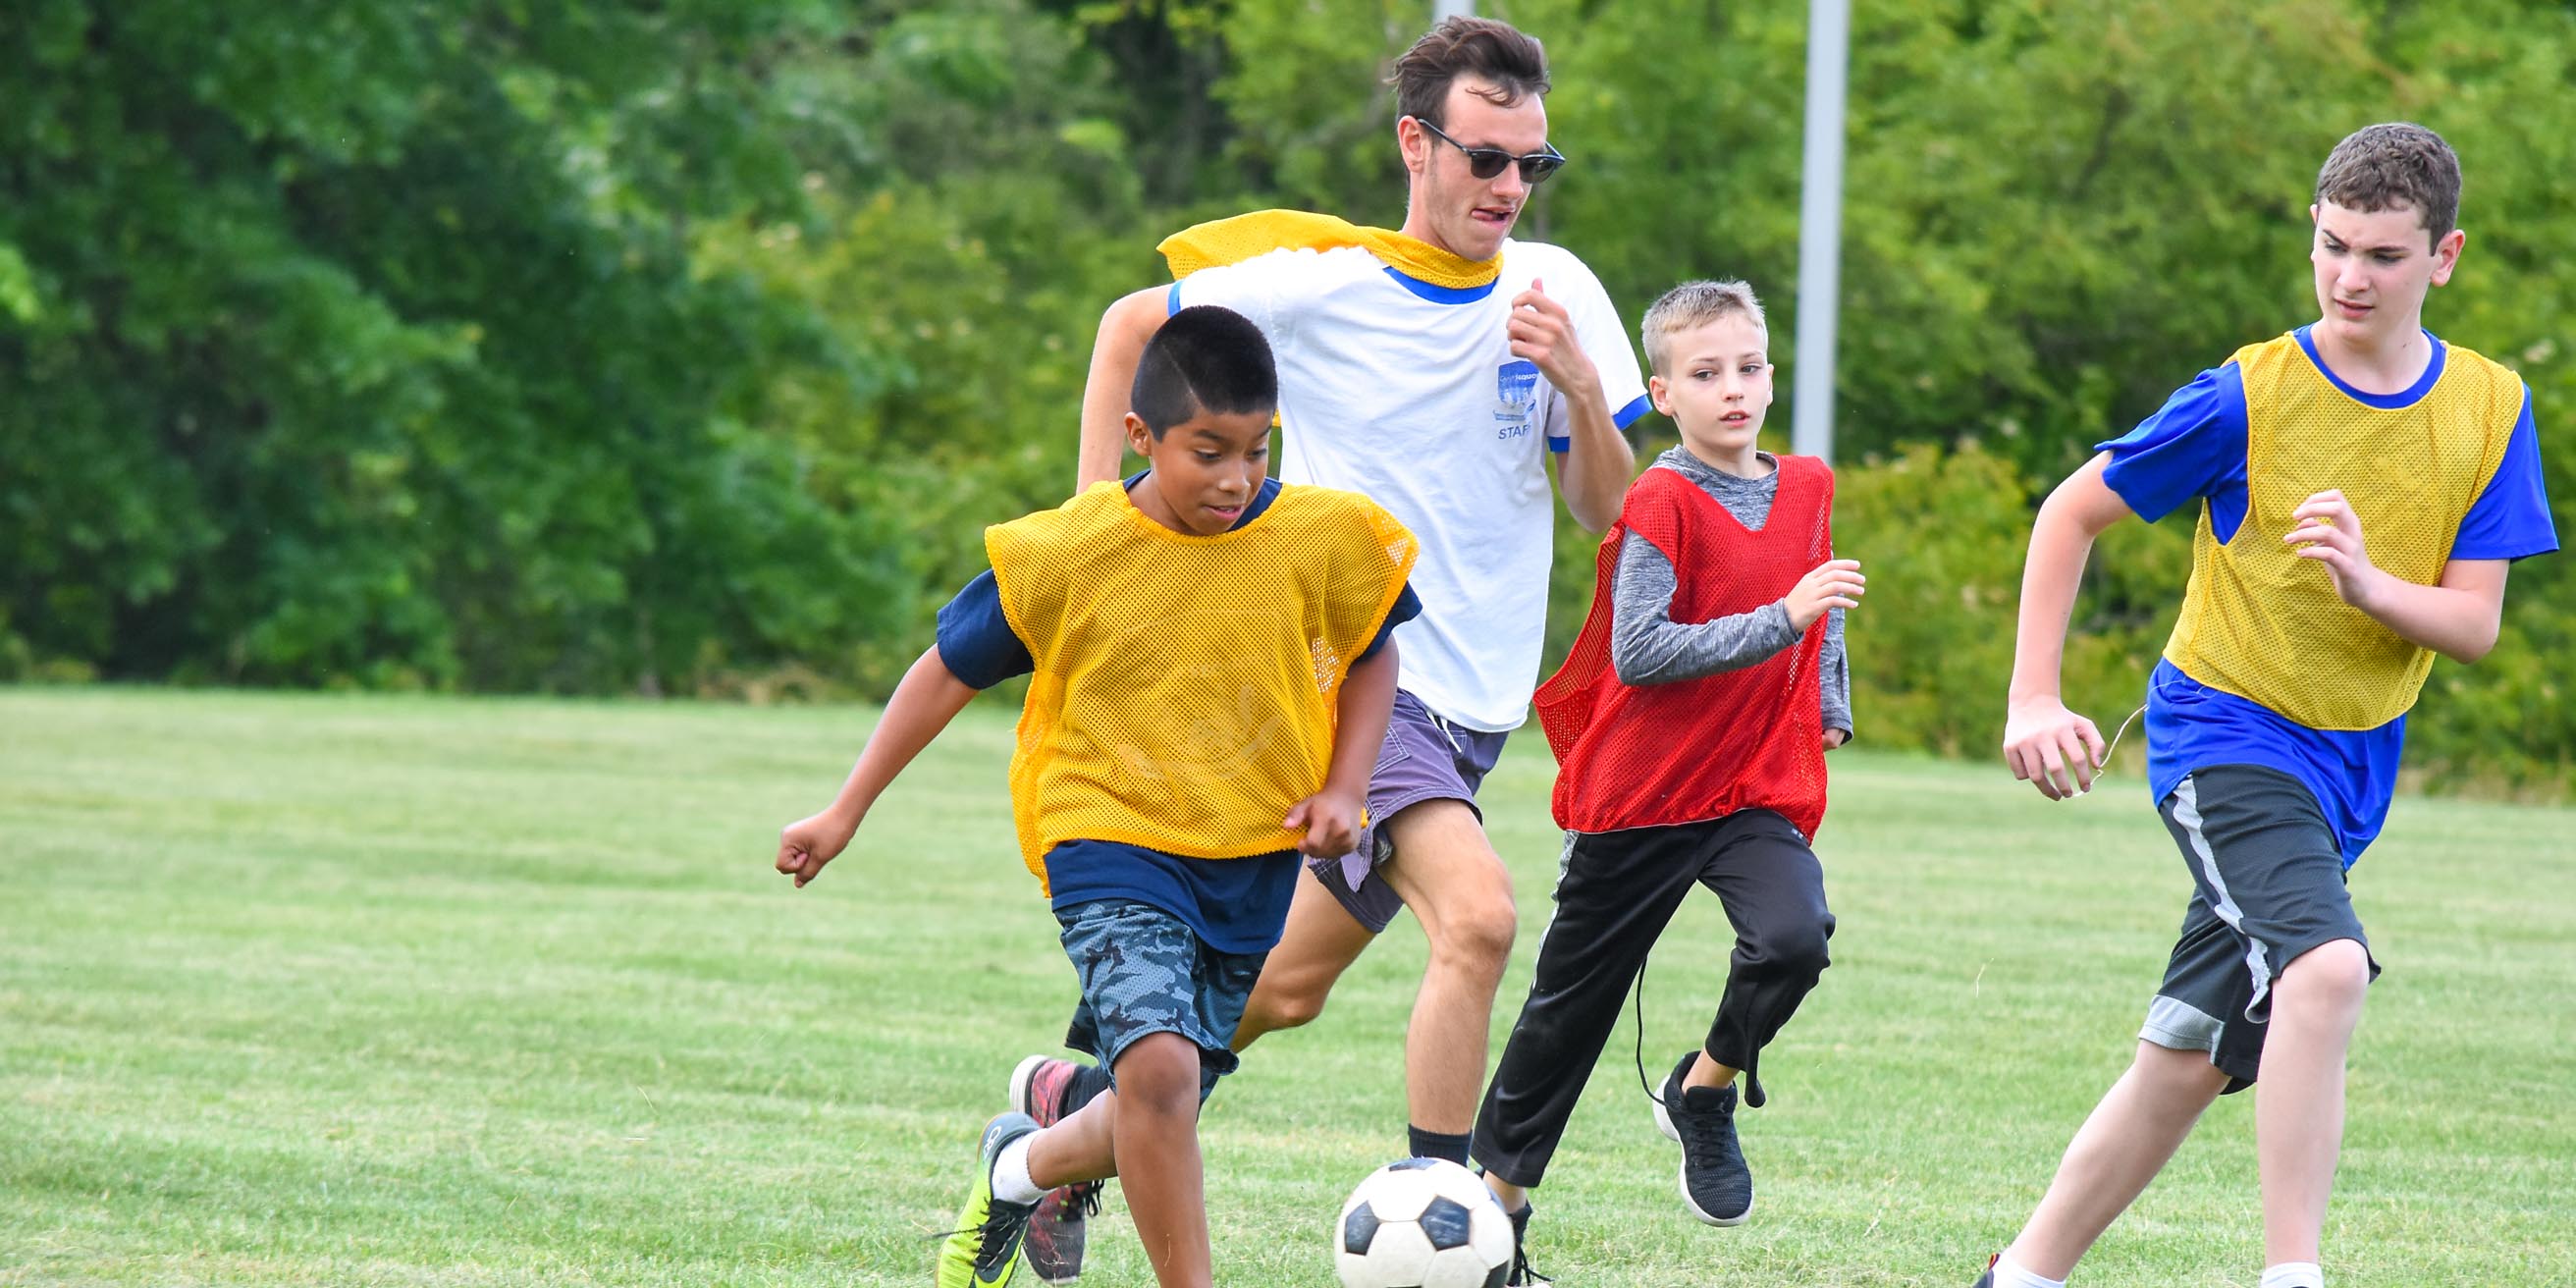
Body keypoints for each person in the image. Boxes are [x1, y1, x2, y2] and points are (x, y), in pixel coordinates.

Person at [1010, 17, 1653, 1280]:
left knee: (1271, 995)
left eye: (1532, 164)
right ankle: (1475, 1234)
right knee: (1476, 918)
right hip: (1358, 684)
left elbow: (1605, 512)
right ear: (1415, 143)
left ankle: (1048, 1130)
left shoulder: (1560, 291)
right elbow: (1125, 324)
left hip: (1474, 711)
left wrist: (1581, 387)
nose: (1508, 187)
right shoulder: (1325, 282)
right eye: (1484, 157)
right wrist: (1094, 528)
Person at [1979, 123, 2557, 1288]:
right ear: (2310, 230)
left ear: (2442, 257)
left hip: (2351, 769)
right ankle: (2292, 1275)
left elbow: (2473, 625)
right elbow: (2067, 512)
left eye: (2383, 256)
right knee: (2326, 971)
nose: (2350, 276)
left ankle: (2018, 1276)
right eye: (2332, 245)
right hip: (2223, 734)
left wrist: (2362, 581)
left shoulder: (2490, 407)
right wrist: (2032, 696)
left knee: (2188, 1054)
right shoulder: (2245, 392)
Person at [773, 306, 1419, 1288]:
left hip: (1248, 852)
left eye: (1254, 449)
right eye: (1206, 452)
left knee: (1161, 1098)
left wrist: (1345, 784)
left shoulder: (1321, 535)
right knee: (1158, 1072)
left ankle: (1019, 1166)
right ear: (1140, 437)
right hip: (1103, 831)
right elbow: (944, 669)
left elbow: (1373, 650)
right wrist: (844, 809)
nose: (1235, 478)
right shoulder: (1072, 550)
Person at [1469, 281, 1858, 1264]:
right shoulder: (1660, 497)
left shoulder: (1807, 485)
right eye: (1704, 373)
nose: (1732, 388)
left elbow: (1822, 599)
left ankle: (1704, 1086)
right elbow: (1640, 650)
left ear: (1770, 374)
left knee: (1793, 938)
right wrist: (1782, 619)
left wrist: (1824, 710)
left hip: (1750, 786)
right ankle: (1496, 1211)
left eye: (1747, 367)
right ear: (1664, 392)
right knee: (1569, 1010)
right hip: (1639, 792)